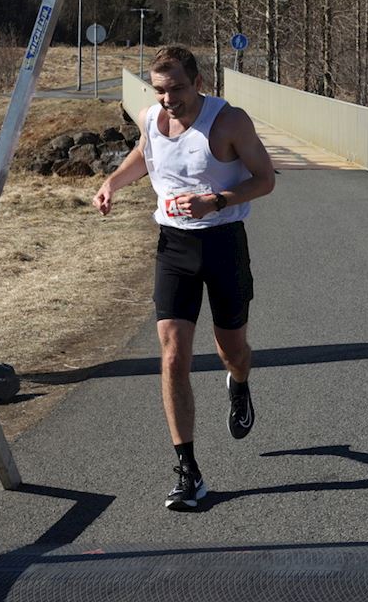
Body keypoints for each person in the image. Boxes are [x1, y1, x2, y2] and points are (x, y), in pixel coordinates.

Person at [92, 45, 276, 510]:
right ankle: (189, 470)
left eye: (176, 88)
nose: (168, 99)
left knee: (231, 349)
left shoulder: (229, 121)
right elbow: (144, 153)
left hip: (223, 240)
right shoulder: (150, 116)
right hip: (174, 246)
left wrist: (216, 201)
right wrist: (112, 183)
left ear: (198, 81)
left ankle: (239, 382)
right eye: (160, 90)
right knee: (173, 354)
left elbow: (266, 178)